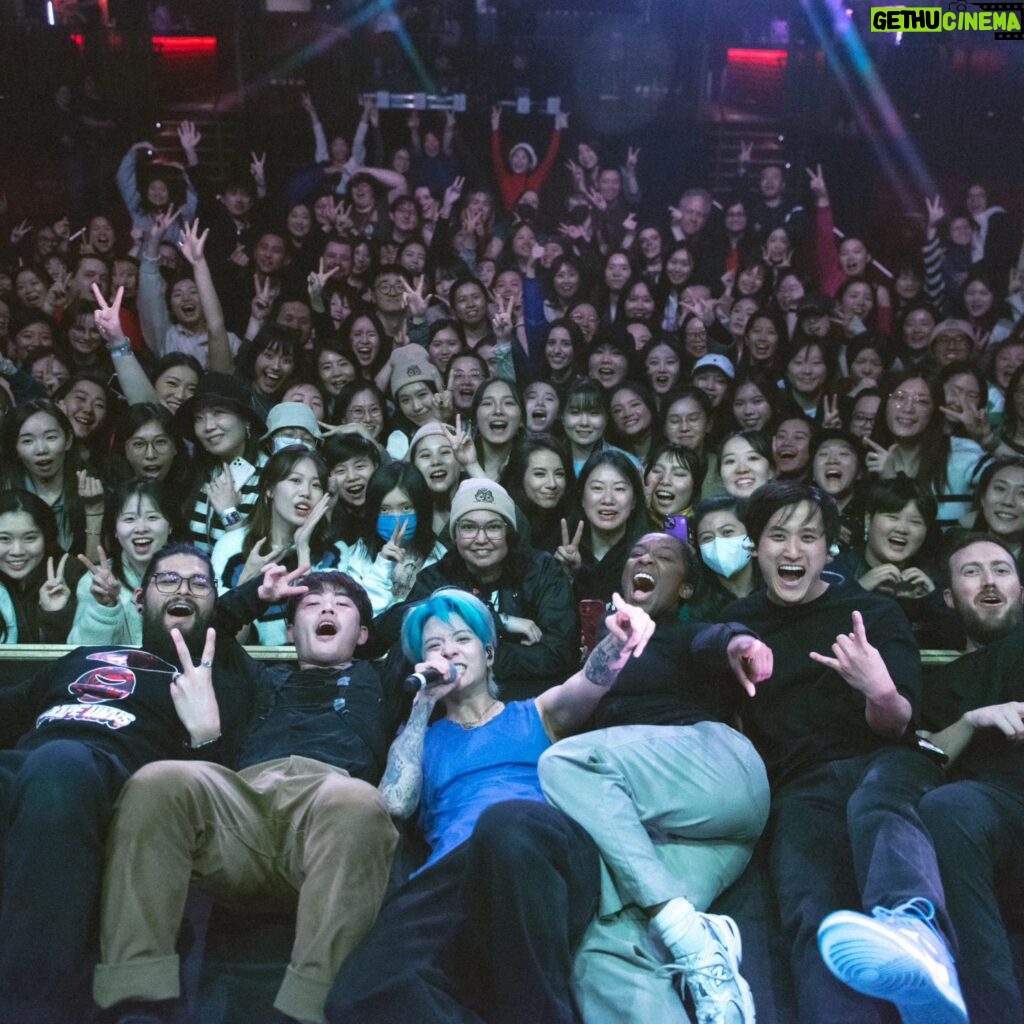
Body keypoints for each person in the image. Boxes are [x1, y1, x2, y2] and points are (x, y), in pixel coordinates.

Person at [0, 543, 303, 1024]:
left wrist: (206, 736)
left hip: (104, 780)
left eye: (198, 583)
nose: (183, 589)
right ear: (139, 598)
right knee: (47, 766)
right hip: (22, 766)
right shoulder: (85, 655)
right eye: (167, 580)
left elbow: (210, 794)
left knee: (60, 768)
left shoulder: (214, 675)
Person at [324, 586, 653, 1024]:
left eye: (461, 639)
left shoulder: (535, 713)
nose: (448, 652)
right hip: (452, 875)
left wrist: (616, 639)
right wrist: (422, 705)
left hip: (536, 852)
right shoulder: (421, 736)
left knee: (502, 826)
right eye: (435, 646)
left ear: (490, 653)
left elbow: (590, 684)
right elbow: (396, 803)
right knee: (358, 994)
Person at [93, 571, 399, 1024]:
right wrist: (255, 595)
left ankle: (313, 1008)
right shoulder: (257, 677)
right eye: (311, 605)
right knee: (158, 781)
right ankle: (135, 1001)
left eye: (343, 605)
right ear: (291, 631)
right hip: (243, 804)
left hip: (328, 811)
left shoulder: (384, 679)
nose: (327, 609)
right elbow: (197, 628)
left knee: (357, 803)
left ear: (365, 634)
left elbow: (433, 620)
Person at [719, 482, 965, 1024]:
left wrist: (876, 688)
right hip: (798, 783)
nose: (792, 551)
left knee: (876, 805)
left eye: (808, 537)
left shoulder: (870, 611)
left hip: (885, 759)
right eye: (778, 536)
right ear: (754, 547)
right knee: (813, 904)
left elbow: (898, 720)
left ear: (829, 549)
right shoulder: (735, 625)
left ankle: (918, 933)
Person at [538, 532, 772, 1023]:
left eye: (664, 557)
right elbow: (586, 685)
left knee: (565, 762)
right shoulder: (608, 652)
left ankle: (688, 935)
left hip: (717, 771)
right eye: (637, 555)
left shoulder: (682, 633)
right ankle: (699, 946)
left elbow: (715, 638)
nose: (645, 559)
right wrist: (615, 639)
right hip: (684, 839)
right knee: (605, 952)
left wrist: (741, 642)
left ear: (684, 589)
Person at [917, 535, 1024, 1024]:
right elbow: (923, 760)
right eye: (972, 572)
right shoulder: (939, 682)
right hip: (998, 813)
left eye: (1001, 570)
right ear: (949, 597)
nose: (988, 582)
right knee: (948, 808)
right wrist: (974, 719)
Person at [376, 477, 578, 700]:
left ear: (508, 532)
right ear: (455, 535)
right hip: (454, 701)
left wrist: (473, 659)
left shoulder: (541, 571)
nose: (481, 539)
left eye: (493, 527)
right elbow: (389, 630)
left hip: (529, 699)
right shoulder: (438, 577)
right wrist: (498, 620)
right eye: (469, 527)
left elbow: (559, 653)